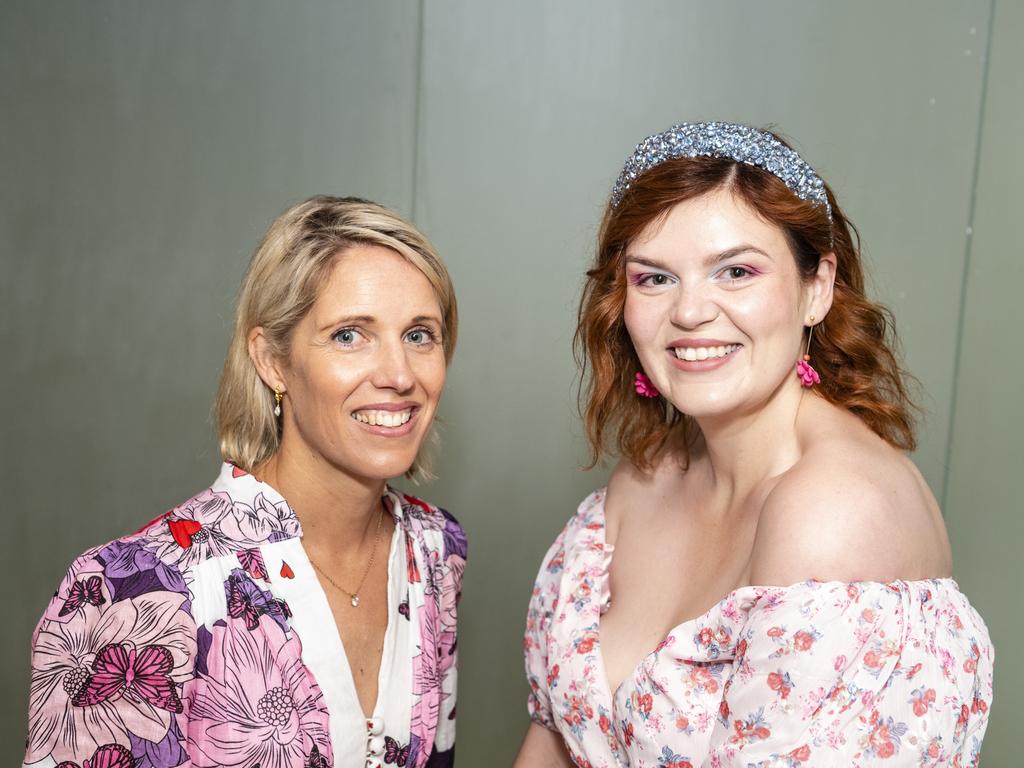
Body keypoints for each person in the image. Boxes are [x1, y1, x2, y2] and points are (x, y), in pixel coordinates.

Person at [516, 123, 992, 766]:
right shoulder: (643, 480)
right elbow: (554, 741)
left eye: (735, 271)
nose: (689, 312)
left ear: (817, 288)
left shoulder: (832, 511)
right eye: (654, 279)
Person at [24, 196, 466, 768]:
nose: (399, 374)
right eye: (350, 335)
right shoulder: (132, 593)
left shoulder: (435, 552)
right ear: (272, 360)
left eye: (419, 335)